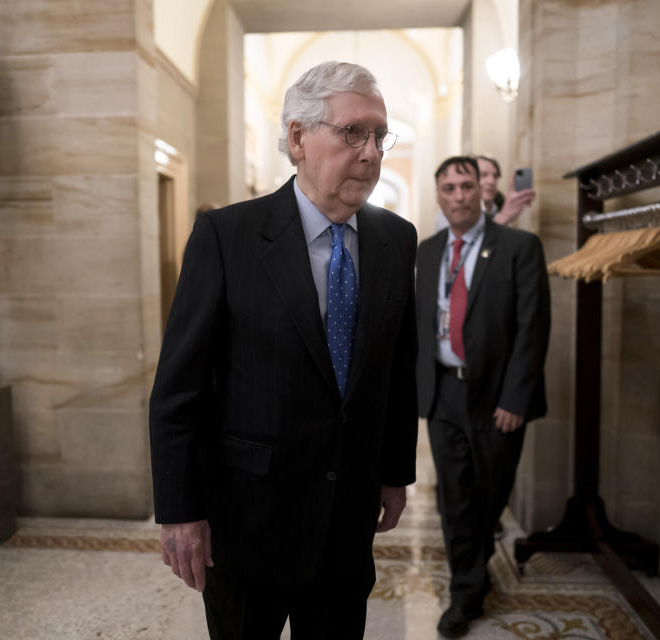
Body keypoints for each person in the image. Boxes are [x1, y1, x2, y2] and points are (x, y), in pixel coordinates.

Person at [149, 61, 418, 639]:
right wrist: (180, 510)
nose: (371, 153)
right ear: (298, 137)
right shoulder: (227, 237)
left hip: (347, 525)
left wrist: (395, 472)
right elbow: (180, 388)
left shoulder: (397, 240)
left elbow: (396, 369)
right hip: (248, 524)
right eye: (352, 133)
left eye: (379, 135)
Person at [416, 156, 550, 637]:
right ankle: (466, 592)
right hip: (443, 395)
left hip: (497, 398)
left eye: (466, 186)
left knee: (489, 496)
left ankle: (472, 571)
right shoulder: (427, 251)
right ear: (438, 195)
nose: (457, 195)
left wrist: (516, 398)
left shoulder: (518, 247)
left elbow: (532, 331)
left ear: (482, 192)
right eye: (448, 188)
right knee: (455, 500)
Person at [477, 153, 536, 226]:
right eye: (483, 175)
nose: (492, 181)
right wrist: (503, 217)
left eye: (495, 176)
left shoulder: (500, 205)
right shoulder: (464, 212)